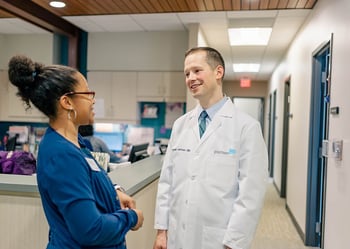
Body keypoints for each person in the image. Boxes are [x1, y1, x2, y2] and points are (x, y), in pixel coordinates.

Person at [8, 55, 143, 249]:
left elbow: (88, 177)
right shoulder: (62, 155)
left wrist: (114, 191)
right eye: (87, 93)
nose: (93, 100)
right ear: (67, 102)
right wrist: (132, 218)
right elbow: (90, 230)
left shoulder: (75, 143)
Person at [153, 47, 268, 249]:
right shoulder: (181, 125)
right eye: (187, 73)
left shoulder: (246, 127)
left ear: (218, 72)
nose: (191, 78)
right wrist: (162, 232)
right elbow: (167, 182)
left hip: (219, 239)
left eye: (197, 70)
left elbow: (250, 195)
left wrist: (234, 243)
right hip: (177, 236)